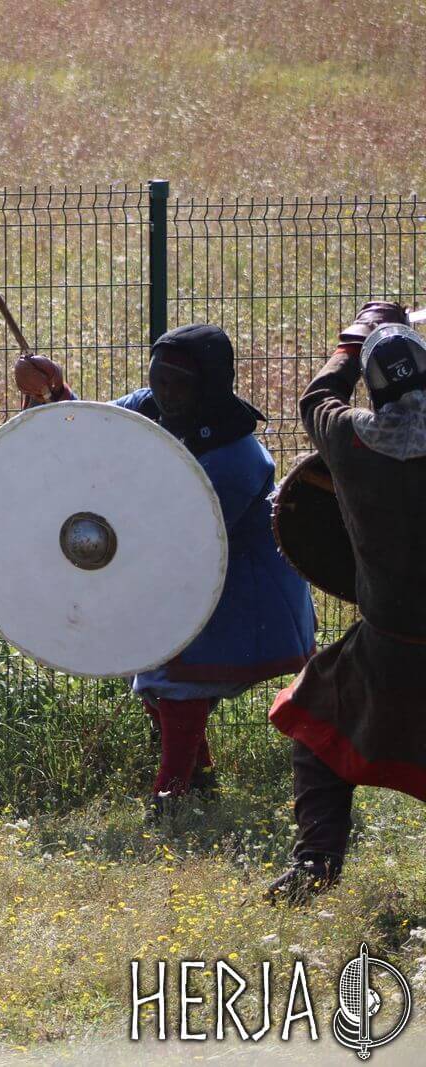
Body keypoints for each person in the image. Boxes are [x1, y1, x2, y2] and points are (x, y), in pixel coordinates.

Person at [15, 325, 315, 816]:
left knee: (174, 678)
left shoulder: (237, 457)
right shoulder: (147, 407)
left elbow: (185, 539)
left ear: (208, 386)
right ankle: (198, 778)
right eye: (160, 380)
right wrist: (52, 391)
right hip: (173, 574)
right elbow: (89, 434)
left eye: (179, 384)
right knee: (154, 667)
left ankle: (171, 795)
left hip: (241, 591)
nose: (167, 394)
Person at [265, 302, 426, 903]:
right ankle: (313, 865)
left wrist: (352, 343)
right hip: (387, 640)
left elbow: (317, 397)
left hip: (387, 643)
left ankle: (317, 862)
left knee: (317, 731)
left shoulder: (349, 438)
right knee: (317, 723)